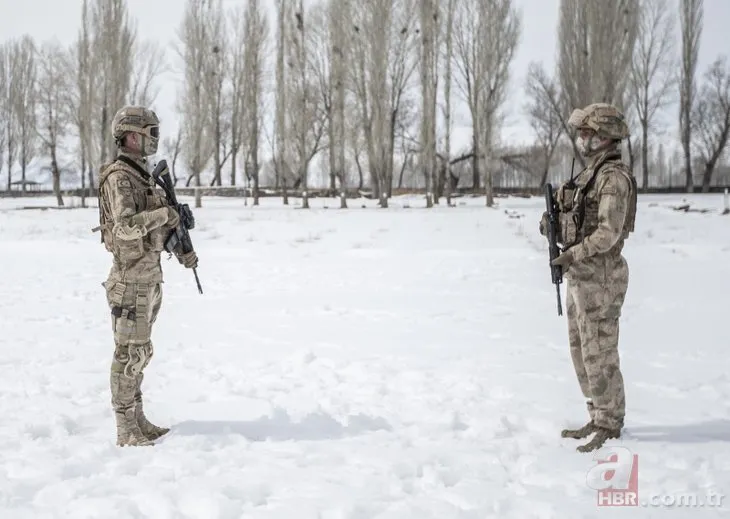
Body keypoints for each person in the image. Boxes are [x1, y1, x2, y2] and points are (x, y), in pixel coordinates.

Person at [94, 106, 198, 446]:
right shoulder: (120, 176)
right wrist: (162, 214)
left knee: (142, 351)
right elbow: (124, 228)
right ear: (132, 135)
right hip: (130, 281)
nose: (154, 137)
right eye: (149, 131)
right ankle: (125, 427)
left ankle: (137, 417)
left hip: (149, 277)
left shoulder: (142, 174)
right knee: (128, 353)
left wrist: (179, 236)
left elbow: (156, 223)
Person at [539, 103, 637, 453]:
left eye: (588, 132)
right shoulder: (587, 175)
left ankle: (611, 421)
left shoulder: (613, 178)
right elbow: (572, 216)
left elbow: (608, 234)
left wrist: (572, 253)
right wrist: (551, 224)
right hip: (580, 274)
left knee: (601, 351)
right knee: (580, 349)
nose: (582, 137)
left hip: (601, 276)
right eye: (581, 131)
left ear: (606, 136)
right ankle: (597, 413)